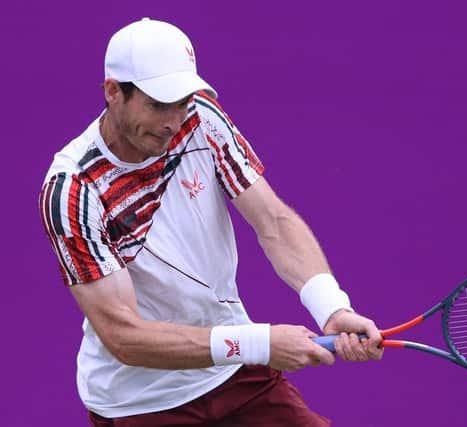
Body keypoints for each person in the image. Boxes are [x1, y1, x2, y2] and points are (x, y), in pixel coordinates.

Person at [39, 18, 383, 427]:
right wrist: (257, 343)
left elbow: (273, 221)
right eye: (158, 104)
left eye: (181, 102)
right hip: (140, 402)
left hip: (234, 374)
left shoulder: (201, 119)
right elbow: (124, 337)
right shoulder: (74, 190)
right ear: (113, 92)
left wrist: (331, 307)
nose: (173, 120)